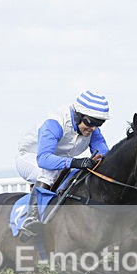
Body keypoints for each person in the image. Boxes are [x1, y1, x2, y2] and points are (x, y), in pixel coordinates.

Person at [15, 90, 111, 240]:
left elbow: (104, 154)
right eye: (90, 122)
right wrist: (76, 162)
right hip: (32, 158)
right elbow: (44, 159)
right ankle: (30, 218)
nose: (93, 128)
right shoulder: (55, 123)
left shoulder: (92, 129)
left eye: (99, 123)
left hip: (58, 162)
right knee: (47, 172)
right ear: (78, 115)